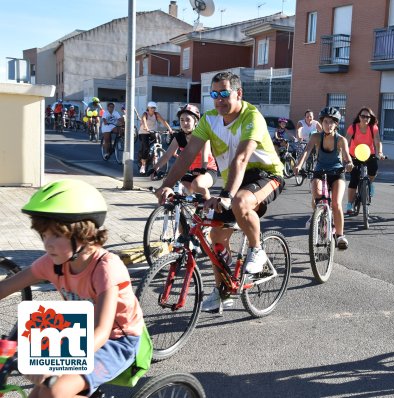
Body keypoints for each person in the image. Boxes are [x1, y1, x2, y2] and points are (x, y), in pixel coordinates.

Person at [0, 179, 145, 397]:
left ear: (83, 234)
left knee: (55, 391)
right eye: (44, 235)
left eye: (56, 235)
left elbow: (102, 332)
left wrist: (54, 362)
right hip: (76, 330)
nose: (47, 244)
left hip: (117, 341)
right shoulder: (53, 262)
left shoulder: (106, 268)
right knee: (38, 393)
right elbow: (7, 286)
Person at [155, 71, 284, 312]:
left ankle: (258, 251)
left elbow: (242, 159)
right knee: (217, 238)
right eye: (214, 94)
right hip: (235, 180)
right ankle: (223, 291)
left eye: (225, 93)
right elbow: (186, 156)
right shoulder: (210, 120)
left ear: (238, 93)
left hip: (266, 174)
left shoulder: (251, 117)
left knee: (240, 202)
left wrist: (225, 194)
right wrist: (165, 185)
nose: (219, 99)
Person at [294, 106, 353, 250]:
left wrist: (349, 163)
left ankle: (339, 236)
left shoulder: (341, 140)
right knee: (317, 198)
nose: (328, 125)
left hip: (337, 173)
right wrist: (299, 165)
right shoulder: (315, 137)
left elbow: (346, 155)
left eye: (331, 122)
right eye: (326, 122)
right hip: (319, 171)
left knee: (336, 205)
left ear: (336, 124)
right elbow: (307, 151)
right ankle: (317, 215)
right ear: (322, 122)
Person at [152, 104, 218, 198]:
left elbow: (205, 156)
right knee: (180, 189)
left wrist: (202, 169)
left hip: (207, 170)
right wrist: (154, 168)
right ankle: (186, 210)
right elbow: (167, 155)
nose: (184, 123)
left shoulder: (203, 135)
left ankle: (209, 210)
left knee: (197, 185)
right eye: (182, 120)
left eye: (188, 120)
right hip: (191, 171)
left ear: (195, 121)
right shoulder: (179, 137)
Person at [345, 107, 385, 213]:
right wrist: (344, 155)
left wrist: (379, 152)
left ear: (370, 118)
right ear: (359, 117)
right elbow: (346, 141)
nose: (365, 118)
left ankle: (370, 183)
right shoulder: (353, 127)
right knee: (354, 178)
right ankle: (349, 204)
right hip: (354, 155)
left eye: (367, 116)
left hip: (369, 154)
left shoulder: (373, 128)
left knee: (373, 169)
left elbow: (377, 142)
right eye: (363, 116)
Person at [139, 101, 173, 175]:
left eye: (154, 108)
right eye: (152, 108)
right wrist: (146, 127)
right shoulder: (145, 114)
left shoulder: (156, 114)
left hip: (153, 132)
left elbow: (163, 121)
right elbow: (144, 120)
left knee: (158, 140)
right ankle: (143, 165)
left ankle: (156, 153)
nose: (153, 109)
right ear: (148, 108)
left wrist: (170, 129)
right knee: (146, 148)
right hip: (144, 132)